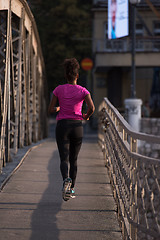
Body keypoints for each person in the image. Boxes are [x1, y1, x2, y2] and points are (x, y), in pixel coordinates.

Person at [48, 58, 95, 201]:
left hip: (62, 126)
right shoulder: (83, 90)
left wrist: (60, 108)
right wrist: (86, 116)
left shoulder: (58, 89)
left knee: (64, 158)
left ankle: (65, 180)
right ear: (77, 76)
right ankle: (72, 189)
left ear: (66, 76)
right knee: (74, 159)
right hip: (77, 126)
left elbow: (50, 109)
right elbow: (92, 108)